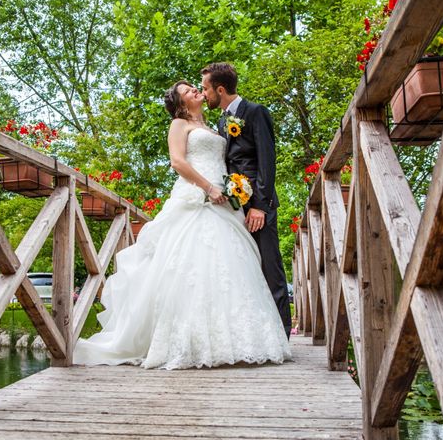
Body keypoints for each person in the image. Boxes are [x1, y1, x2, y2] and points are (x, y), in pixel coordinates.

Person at [73, 80, 291, 369]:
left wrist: (230, 188)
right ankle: (188, 342)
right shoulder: (178, 124)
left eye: (195, 87)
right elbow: (177, 162)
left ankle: (234, 339)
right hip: (197, 198)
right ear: (181, 103)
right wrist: (208, 188)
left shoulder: (219, 125)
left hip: (224, 202)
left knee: (228, 268)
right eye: (188, 91)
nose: (195, 91)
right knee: (189, 267)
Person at [201, 62, 292, 338]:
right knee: (244, 268)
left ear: (220, 89)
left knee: (270, 267)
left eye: (205, 89)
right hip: (234, 205)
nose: (203, 94)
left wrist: (260, 207)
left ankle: (283, 335)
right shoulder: (221, 121)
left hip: (258, 205)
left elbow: (267, 161)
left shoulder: (255, 113)